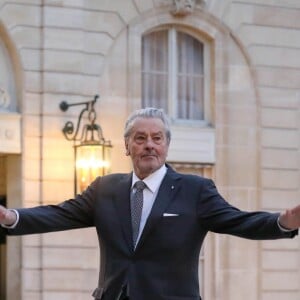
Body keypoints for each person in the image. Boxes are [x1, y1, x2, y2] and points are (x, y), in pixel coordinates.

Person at [0, 107, 299, 300]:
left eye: (157, 138)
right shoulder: (105, 188)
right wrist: (9, 216)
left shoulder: (196, 190)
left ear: (167, 146)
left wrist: (281, 222)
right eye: (140, 138)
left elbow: (239, 221)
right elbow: (58, 214)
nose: (149, 145)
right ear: (127, 147)